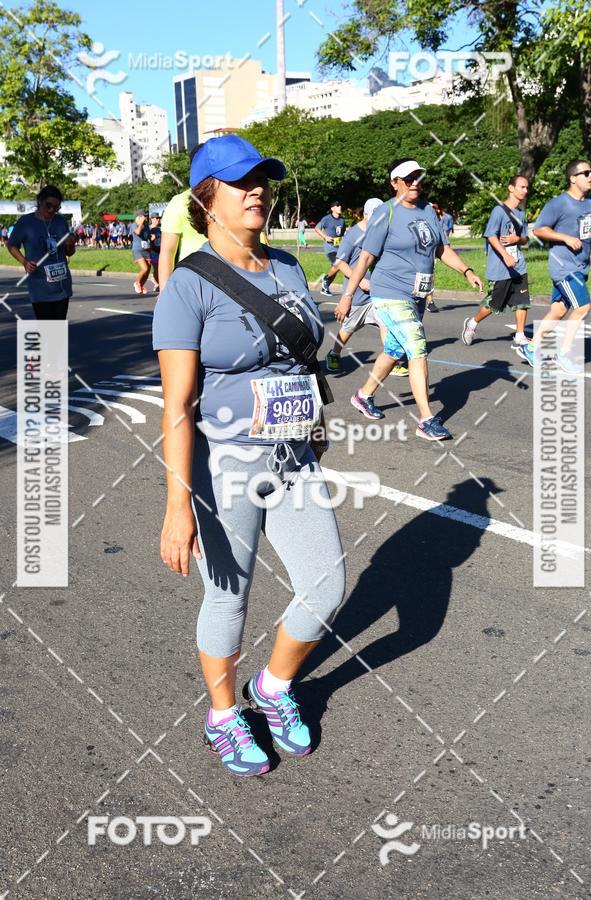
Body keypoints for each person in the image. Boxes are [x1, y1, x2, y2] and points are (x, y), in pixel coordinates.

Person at [152, 135, 345, 777]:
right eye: (242, 182)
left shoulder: (288, 267)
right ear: (207, 199)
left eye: (263, 178)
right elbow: (177, 405)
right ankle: (224, 715)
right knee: (229, 596)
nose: (257, 189)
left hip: (293, 453)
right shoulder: (188, 285)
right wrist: (178, 504)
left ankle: (273, 687)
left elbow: (300, 356)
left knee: (327, 583)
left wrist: (313, 422)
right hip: (227, 462)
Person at [336, 158, 483, 441]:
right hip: (389, 292)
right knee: (417, 346)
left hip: (415, 295)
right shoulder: (385, 213)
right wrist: (347, 296)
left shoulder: (428, 210)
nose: (414, 182)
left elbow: (442, 249)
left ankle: (363, 395)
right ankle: (427, 419)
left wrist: (467, 270)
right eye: (408, 178)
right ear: (394, 183)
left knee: (394, 349)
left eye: (418, 176)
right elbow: (366, 257)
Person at [518, 160, 591, 371]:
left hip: (581, 266)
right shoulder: (558, 203)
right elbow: (539, 230)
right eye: (586, 173)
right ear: (573, 178)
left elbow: (588, 228)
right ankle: (563, 354)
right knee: (582, 307)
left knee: (558, 310)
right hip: (564, 267)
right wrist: (564, 238)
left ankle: (531, 347)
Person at [462, 175, 530, 348]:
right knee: (494, 304)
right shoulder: (499, 211)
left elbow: (526, 240)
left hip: (518, 266)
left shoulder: (522, 214)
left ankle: (520, 335)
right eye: (522, 187)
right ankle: (472, 323)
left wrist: (517, 240)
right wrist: (505, 255)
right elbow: (491, 235)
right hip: (501, 268)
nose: (525, 191)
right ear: (511, 188)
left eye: (527, 188)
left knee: (522, 301)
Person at [325, 198, 384, 372]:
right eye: (374, 216)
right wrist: (359, 281)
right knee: (348, 328)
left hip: (376, 293)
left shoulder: (381, 233)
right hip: (357, 293)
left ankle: (391, 358)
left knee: (385, 323)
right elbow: (340, 263)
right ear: (365, 214)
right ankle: (334, 353)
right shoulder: (353, 234)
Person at [7, 185, 76, 320]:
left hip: (62, 285)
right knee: (47, 330)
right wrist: (24, 262)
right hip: (40, 286)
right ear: (39, 200)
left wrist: (71, 244)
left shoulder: (61, 222)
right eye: (48, 205)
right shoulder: (26, 222)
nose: (51, 210)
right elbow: (12, 245)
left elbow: (69, 253)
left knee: (57, 331)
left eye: (56, 208)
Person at [158, 144, 208, 288]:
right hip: (192, 283)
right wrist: (165, 293)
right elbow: (167, 252)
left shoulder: (230, 198)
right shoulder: (179, 202)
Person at [314, 201, 346, 296]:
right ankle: (326, 279)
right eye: (337, 205)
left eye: (340, 205)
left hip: (339, 247)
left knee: (336, 267)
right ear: (332, 208)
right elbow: (316, 228)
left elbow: (342, 234)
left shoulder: (342, 221)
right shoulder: (326, 219)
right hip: (330, 248)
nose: (339, 206)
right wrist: (325, 237)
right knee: (337, 264)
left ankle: (325, 286)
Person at [132, 209, 152, 294]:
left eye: (146, 216)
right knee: (145, 268)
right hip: (137, 250)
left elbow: (147, 236)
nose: (146, 217)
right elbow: (137, 232)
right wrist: (140, 223)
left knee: (148, 270)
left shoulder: (147, 226)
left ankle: (141, 285)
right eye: (144, 216)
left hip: (146, 249)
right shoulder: (134, 225)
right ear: (139, 217)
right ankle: (137, 283)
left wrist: (151, 237)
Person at [148, 213, 162, 293]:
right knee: (157, 269)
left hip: (160, 251)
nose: (158, 220)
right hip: (153, 252)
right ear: (152, 219)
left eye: (158, 218)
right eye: (156, 218)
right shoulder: (149, 229)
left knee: (159, 269)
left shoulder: (160, 229)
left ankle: (157, 283)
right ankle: (157, 283)